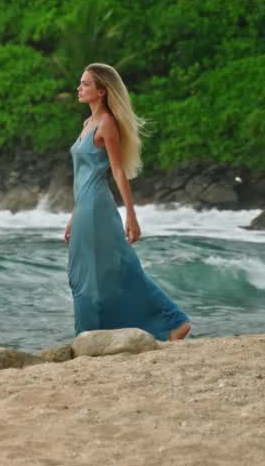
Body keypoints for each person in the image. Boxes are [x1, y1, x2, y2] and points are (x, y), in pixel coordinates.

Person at [63, 63, 191, 341]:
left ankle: (174, 322)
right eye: (80, 82)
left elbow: (118, 171)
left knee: (117, 268)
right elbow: (82, 177)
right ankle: (92, 334)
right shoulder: (87, 124)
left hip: (98, 207)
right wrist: (73, 217)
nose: (79, 88)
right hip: (84, 208)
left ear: (101, 91)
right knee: (84, 272)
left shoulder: (106, 123)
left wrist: (131, 216)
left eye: (85, 84)